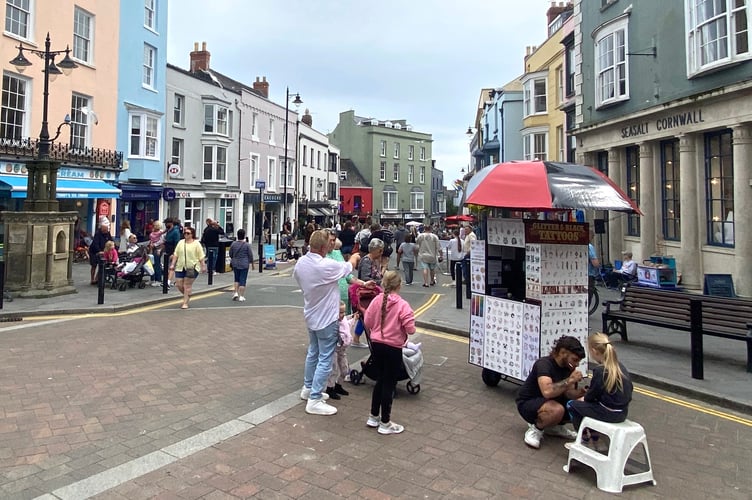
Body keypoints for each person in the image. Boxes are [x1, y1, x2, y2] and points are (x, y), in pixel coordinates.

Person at [293, 229, 359, 416]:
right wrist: (354, 257)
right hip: (327, 318)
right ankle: (314, 398)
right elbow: (349, 267)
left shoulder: (301, 263)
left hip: (311, 314)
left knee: (313, 352)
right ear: (323, 247)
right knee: (326, 358)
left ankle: (307, 389)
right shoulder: (325, 265)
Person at [363, 270, 416, 435]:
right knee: (389, 383)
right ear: (399, 286)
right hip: (393, 346)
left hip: (377, 344)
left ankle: (373, 416)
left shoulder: (376, 301)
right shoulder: (402, 305)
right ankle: (385, 422)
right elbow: (411, 329)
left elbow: (368, 321)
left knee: (380, 379)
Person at [516, 335, 587, 449]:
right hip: (530, 402)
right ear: (563, 353)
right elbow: (547, 391)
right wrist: (570, 380)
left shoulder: (569, 368)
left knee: (581, 404)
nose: (577, 364)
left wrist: (581, 393)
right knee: (557, 410)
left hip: (555, 400)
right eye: (574, 360)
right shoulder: (544, 364)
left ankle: (556, 426)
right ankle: (536, 429)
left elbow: (568, 393)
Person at [566, 333, 633, 448]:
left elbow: (591, 396)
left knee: (572, 405)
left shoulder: (600, 371)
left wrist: (583, 397)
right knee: (589, 406)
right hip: (622, 413)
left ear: (594, 351)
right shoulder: (620, 367)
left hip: (608, 413)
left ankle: (583, 439)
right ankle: (594, 436)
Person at [168, 227, 206, 310]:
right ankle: (188, 294)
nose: (186, 234)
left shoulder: (196, 244)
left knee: (187, 285)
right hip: (180, 266)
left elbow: (201, 256)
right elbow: (176, 254)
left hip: (192, 267)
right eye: (185, 233)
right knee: (178, 284)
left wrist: (203, 266)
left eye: (188, 233)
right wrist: (172, 264)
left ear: (192, 234)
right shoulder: (181, 242)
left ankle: (185, 303)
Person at [326, 301, 357, 400]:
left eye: (343, 312)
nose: (342, 315)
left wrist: (353, 318)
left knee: (344, 369)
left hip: (343, 349)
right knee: (334, 369)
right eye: (340, 312)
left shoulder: (343, 319)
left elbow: (347, 325)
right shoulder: (333, 323)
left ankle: (338, 385)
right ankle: (330, 388)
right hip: (334, 349)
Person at [229, 228, 254, 302]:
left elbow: (231, 254)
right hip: (244, 264)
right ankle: (241, 296)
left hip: (235, 263)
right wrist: (252, 263)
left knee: (236, 279)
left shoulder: (233, 244)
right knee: (242, 280)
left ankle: (236, 293)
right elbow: (250, 255)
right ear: (244, 236)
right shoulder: (247, 245)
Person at [163, 218, 182, 287]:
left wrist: (174, 253)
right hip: (168, 251)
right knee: (169, 267)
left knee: (172, 267)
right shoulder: (169, 230)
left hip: (172, 251)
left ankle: (168, 282)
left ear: (171, 223)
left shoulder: (175, 231)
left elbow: (177, 243)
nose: (165, 225)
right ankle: (171, 281)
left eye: (166, 223)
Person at [149, 220, 165, 287]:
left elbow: (162, 241)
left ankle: (158, 280)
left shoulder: (161, 232)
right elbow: (151, 240)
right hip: (152, 248)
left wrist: (156, 246)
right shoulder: (152, 232)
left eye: (156, 225)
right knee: (151, 264)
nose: (155, 226)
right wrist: (151, 247)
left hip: (158, 248)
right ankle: (152, 279)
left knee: (157, 264)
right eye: (154, 225)